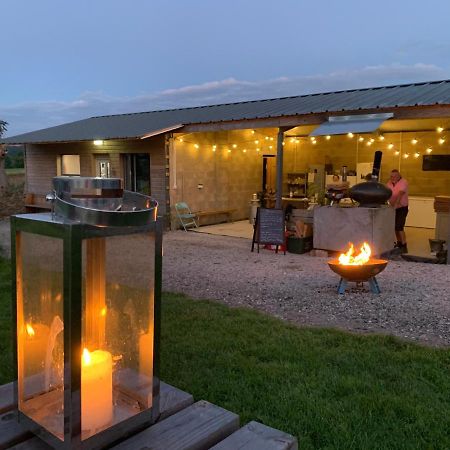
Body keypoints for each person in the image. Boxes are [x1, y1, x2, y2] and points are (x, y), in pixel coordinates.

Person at [386, 169, 409, 251]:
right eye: (391, 176)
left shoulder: (404, 182)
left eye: (394, 176)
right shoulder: (389, 183)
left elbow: (400, 194)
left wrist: (396, 205)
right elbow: (387, 193)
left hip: (402, 207)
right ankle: (399, 243)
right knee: (395, 227)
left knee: (399, 226)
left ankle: (404, 245)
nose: (392, 178)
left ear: (399, 176)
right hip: (393, 208)